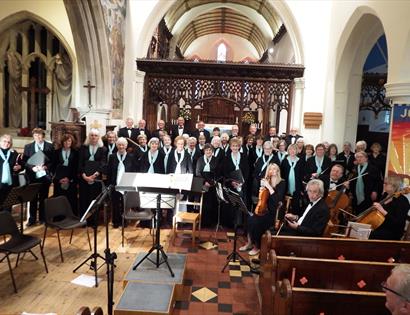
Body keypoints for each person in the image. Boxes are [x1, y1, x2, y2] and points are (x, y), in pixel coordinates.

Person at [240, 163, 285, 255]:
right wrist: (261, 189)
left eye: (274, 169)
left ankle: (257, 246)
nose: (272, 171)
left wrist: (268, 187)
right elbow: (260, 196)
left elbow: (277, 200)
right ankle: (249, 243)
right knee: (249, 220)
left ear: (278, 171)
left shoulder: (282, 182)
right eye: (270, 169)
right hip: (263, 208)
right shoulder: (266, 180)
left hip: (273, 211)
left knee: (257, 223)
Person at [23, 128, 54, 226]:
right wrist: (32, 168)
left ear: (43, 136)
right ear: (33, 136)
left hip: (44, 176)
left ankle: (43, 218)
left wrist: (46, 166)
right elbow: (25, 162)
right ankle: (32, 219)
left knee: (43, 198)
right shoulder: (28, 147)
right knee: (33, 198)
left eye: (40, 135)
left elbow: (53, 161)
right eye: (35, 135)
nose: (38, 137)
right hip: (32, 176)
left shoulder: (50, 146)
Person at [107, 137, 137, 228]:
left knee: (125, 203)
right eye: (119, 145)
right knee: (115, 203)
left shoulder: (131, 156)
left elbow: (133, 170)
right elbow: (109, 171)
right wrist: (110, 184)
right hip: (115, 184)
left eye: (123, 145)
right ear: (116, 145)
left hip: (127, 184)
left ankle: (125, 221)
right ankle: (116, 222)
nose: (121, 146)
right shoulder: (112, 156)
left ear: (126, 146)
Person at [78, 129, 107, 220]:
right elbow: (80, 163)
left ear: (98, 137)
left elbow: (103, 163)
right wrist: (84, 176)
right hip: (84, 178)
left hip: (96, 178)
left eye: (95, 135)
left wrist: (94, 175)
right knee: (83, 199)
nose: (93, 137)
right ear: (89, 137)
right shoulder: (83, 148)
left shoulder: (103, 149)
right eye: (92, 135)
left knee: (94, 199)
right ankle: (83, 219)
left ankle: (94, 220)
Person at [52, 134, 79, 215]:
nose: (67, 142)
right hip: (59, 180)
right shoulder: (57, 152)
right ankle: (59, 218)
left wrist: (69, 178)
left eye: (69, 141)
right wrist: (58, 179)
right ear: (62, 142)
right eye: (65, 141)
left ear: (72, 142)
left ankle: (71, 217)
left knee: (71, 199)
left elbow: (76, 167)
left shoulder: (76, 152)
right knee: (59, 200)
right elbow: (53, 166)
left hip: (71, 180)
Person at [195, 144, 220, 227]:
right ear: (204, 151)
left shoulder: (216, 160)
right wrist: (205, 182)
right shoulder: (200, 160)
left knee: (212, 204)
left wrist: (211, 183)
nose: (208, 151)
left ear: (212, 151)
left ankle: (211, 223)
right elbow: (197, 172)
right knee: (203, 204)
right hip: (202, 184)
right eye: (206, 150)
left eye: (210, 150)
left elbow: (218, 173)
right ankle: (202, 222)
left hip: (213, 185)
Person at [280, 144, 305, 215]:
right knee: (284, 205)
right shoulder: (284, 161)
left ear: (297, 150)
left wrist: (301, 189)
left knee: (295, 205)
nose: (292, 151)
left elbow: (302, 175)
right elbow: (281, 174)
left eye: (294, 149)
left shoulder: (300, 161)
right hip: (286, 186)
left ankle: (293, 220)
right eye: (290, 149)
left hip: (297, 187)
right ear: (288, 150)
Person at [0, 134, 21, 208]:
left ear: (11, 144)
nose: (6, 143)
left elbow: (21, 165)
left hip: (10, 184)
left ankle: (6, 219)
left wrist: (19, 167)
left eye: (9, 142)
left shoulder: (14, 153)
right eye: (4, 141)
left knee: (8, 206)